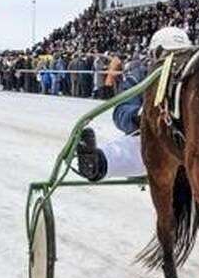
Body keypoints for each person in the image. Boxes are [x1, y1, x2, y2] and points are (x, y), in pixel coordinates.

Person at [75, 27, 191, 182]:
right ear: (155, 55)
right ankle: (96, 163)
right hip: (155, 142)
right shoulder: (139, 77)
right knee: (138, 146)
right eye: (169, 56)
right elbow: (121, 112)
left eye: (182, 55)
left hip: (191, 144)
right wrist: (139, 116)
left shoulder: (195, 80)